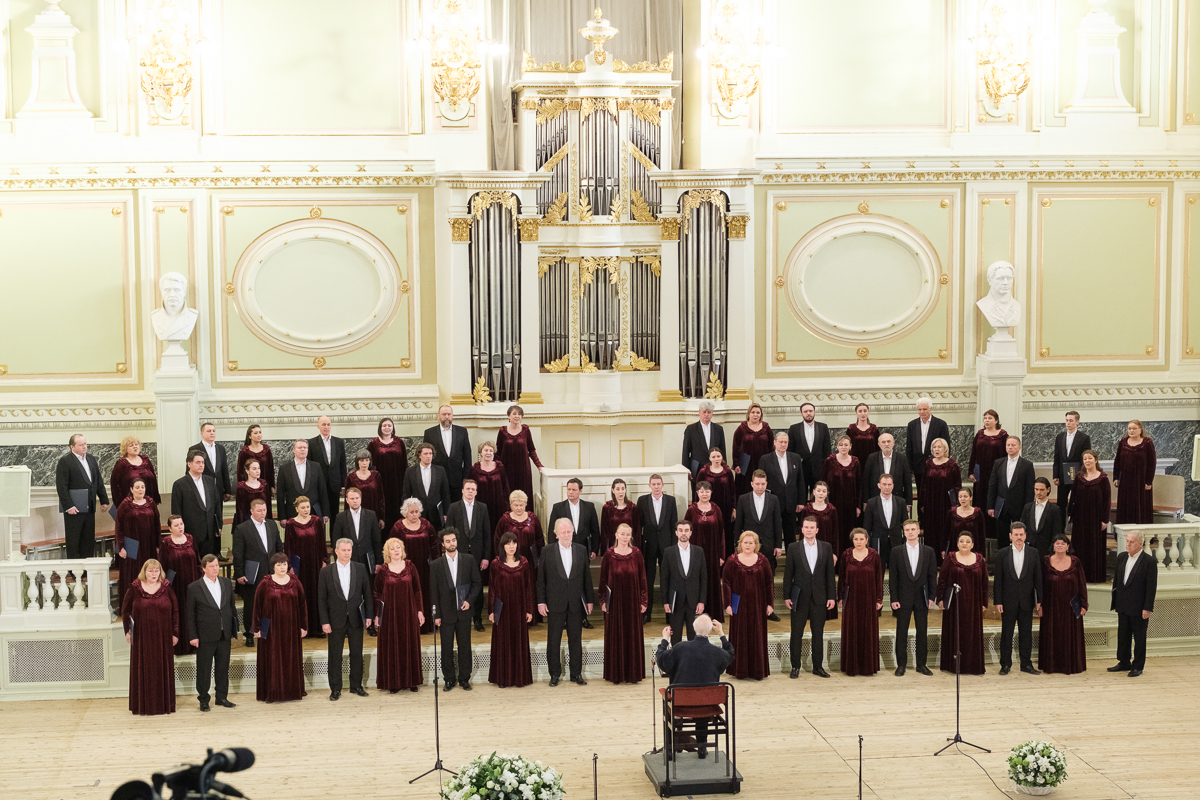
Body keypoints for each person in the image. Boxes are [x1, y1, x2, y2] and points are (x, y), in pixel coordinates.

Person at [654, 615, 734, 760]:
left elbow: (662, 660)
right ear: (710, 630)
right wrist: (721, 634)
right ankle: (702, 747)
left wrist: (665, 639)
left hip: (681, 704)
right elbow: (731, 654)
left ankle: (671, 749)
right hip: (708, 705)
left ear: (693, 628)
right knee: (702, 700)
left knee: (671, 701)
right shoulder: (717, 653)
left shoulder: (680, 647)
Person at [537, 518, 596, 686]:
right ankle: (554, 674)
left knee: (575, 640)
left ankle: (576, 674)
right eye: (563, 532)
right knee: (553, 640)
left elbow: (587, 578)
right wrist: (541, 602)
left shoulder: (581, 550)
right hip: (555, 602)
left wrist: (590, 601)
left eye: (569, 531)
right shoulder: (547, 551)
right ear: (556, 534)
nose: (566, 534)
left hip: (576, 603)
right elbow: (541, 580)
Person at [121, 559, 178, 716]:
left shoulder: (166, 587)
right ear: (144, 572)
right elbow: (125, 611)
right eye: (150, 571)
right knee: (143, 668)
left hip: (163, 636)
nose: (154, 574)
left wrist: (175, 632)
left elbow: (175, 611)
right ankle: (142, 706)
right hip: (141, 636)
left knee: (162, 668)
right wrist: (127, 631)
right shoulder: (135, 587)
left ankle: (164, 705)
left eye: (156, 570)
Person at [318, 539, 374, 700]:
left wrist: (369, 615)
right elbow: (321, 599)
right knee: (335, 655)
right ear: (336, 551)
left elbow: (367, 594)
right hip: (335, 619)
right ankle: (335, 688)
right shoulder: (326, 572)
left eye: (349, 550)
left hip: (356, 618)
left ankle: (356, 685)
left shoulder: (360, 568)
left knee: (357, 653)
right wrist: (324, 621)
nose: (347, 553)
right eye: (343, 550)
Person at [428, 527, 481, 690]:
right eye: (448, 541)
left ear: (457, 541)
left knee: (465, 647)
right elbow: (433, 591)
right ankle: (449, 679)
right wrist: (435, 614)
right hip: (445, 613)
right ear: (443, 544)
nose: (451, 543)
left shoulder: (468, 559)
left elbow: (477, 583)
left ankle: (465, 678)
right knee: (446, 648)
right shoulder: (436, 564)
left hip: (464, 612)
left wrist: (469, 601)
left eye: (454, 540)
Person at [783, 518, 836, 679]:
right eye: (806, 527)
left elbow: (829, 574)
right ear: (802, 529)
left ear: (817, 530)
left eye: (812, 527)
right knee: (796, 633)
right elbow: (788, 574)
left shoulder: (826, 547)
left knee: (818, 633)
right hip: (799, 597)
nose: (809, 530)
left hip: (819, 597)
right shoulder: (793, 547)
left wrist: (831, 596)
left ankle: (818, 667)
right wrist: (786, 596)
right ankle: (795, 667)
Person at [251, 552, 308, 702]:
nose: (282, 567)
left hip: (291, 627)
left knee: (290, 658)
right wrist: (256, 628)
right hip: (271, 629)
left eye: (284, 564)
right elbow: (257, 606)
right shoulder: (264, 583)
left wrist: (303, 626)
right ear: (273, 566)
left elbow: (302, 605)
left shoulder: (295, 582)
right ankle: (273, 692)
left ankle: (292, 691)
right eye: (279, 564)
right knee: (272, 659)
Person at [186, 554, 239, 712]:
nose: (215, 568)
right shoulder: (194, 587)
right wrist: (193, 636)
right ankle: (203, 699)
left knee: (223, 667)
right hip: (205, 635)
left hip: (224, 633)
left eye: (216, 565)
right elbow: (190, 615)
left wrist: (233, 629)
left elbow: (231, 607)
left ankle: (221, 697)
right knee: (204, 668)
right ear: (203, 568)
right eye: (211, 566)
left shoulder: (226, 582)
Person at [374, 537, 425, 693]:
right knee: (392, 646)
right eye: (392, 548)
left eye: (398, 547)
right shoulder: (383, 570)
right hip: (389, 615)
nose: (396, 550)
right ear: (388, 552)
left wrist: (420, 611)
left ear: (402, 550)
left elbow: (417, 590)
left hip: (409, 613)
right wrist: (378, 615)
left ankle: (412, 681)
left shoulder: (410, 567)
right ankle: (393, 682)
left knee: (410, 644)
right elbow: (376, 593)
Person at [600, 523, 649, 683]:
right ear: (616, 535)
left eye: (628, 534)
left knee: (632, 636)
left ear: (631, 536)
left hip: (633, 602)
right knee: (615, 636)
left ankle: (632, 674)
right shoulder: (608, 554)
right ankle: (616, 674)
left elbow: (643, 578)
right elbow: (602, 580)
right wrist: (603, 601)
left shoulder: (637, 554)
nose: (625, 537)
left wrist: (643, 601)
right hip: (614, 603)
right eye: (622, 534)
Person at [722, 531, 774, 680]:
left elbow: (769, 582)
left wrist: (770, 603)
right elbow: (726, 583)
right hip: (739, 606)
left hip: (758, 605)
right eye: (745, 542)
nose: (748, 545)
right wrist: (728, 604)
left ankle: (758, 671)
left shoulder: (763, 561)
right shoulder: (732, 561)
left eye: (751, 543)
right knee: (740, 636)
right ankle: (741, 671)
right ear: (740, 544)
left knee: (757, 635)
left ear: (756, 545)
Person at [231, 498, 283, 646]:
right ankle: (249, 633)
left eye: (264, 510)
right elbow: (238, 554)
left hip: (272, 572)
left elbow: (278, 546)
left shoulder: (272, 525)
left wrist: (281, 567)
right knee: (251, 604)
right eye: (259, 510)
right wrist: (239, 573)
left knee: (271, 603)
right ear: (252, 511)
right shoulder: (242, 528)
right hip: (252, 573)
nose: (262, 513)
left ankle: (269, 631)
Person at [889, 520, 937, 676]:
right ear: (903, 532)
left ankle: (921, 665)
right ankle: (901, 665)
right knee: (901, 631)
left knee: (922, 632)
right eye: (907, 529)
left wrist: (932, 596)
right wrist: (894, 599)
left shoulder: (928, 551)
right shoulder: (896, 551)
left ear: (918, 531)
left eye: (913, 529)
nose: (910, 532)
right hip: (903, 598)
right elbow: (893, 578)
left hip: (922, 598)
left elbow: (932, 576)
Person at [993, 522, 1042, 675]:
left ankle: (1026, 664)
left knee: (1026, 633)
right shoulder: (1002, 553)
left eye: (1021, 534)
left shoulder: (1034, 553)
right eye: (1016, 535)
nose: (1019, 537)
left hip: (1027, 601)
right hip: (1008, 601)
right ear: (1010, 536)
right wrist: (998, 601)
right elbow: (998, 580)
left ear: (1025, 535)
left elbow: (1038, 578)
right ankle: (1005, 665)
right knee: (1006, 634)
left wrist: (1039, 600)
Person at [936, 533, 988, 675]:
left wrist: (984, 603)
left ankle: (972, 666)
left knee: (971, 633)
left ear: (972, 544)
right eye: (961, 541)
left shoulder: (979, 559)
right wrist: (940, 599)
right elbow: (942, 580)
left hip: (973, 604)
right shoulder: (950, 558)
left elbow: (984, 583)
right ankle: (952, 666)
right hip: (954, 604)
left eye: (967, 541)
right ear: (957, 543)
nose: (964, 543)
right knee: (955, 632)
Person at [488, 532, 534, 688]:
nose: (511, 546)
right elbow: (492, 588)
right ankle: (503, 678)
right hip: (502, 610)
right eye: (508, 543)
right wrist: (492, 610)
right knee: (502, 642)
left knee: (518, 642)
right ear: (502, 546)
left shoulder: (524, 563)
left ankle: (519, 678)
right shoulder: (496, 564)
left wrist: (529, 609)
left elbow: (528, 587)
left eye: (514, 543)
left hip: (519, 609)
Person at [446, 478, 492, 631]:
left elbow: (487, 534)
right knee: (459, 585)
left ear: (476, 492)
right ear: (462, 490)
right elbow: (449, 533)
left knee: (476, 587)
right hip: (459, 555)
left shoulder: (483, 508)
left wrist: (486, 557)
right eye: (468, 489)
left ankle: (477, 619)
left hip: (478, 556)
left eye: (473, 489)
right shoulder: (453, 508)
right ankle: (459, 618)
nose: (470, 491)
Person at [1110, 530, 1157, 677]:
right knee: (1123, 635)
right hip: (1122, 605)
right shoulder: (1121, 557)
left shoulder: (1149, 561)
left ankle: (1137, 666)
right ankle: (1124, 662)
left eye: (1131, 542)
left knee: (1139, 638)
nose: (1128, 544)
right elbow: (1117, 582)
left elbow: (1151, 587)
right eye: (1127, 541)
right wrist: (1115, 601)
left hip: (1139, 607)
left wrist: (1147, 608)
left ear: (1140, 543)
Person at [1039, 534, 1088, 675]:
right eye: (1057, 543)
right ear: (1053, 546)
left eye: (1063, 543)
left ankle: (1070, 665)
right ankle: (1052, 666)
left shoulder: (1075, 561)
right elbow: (1040, 584)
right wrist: (1039, 605)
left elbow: (1082, 584)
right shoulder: (1045, 561)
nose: (1060, 545)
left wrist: (1084, 605)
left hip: (1071, 607)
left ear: (1068, 546)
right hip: (1050, 607)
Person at [837, 528, 883, 677]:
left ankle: (867, 667)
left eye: (861, 539)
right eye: (856, 539)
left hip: (869, 599)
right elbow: (842, 577)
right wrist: (840, 597)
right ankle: (852, 667)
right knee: (852, 630)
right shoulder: (846, 555)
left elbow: (878, 578)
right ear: (852, 540)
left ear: (867, 540)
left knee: (868, 631)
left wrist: (879, 599)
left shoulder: (874, 555)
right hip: (851, 599)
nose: (859, 542)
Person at [55, 434, 110, 558]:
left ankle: (86, 569)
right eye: (81, 445)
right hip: (74, 509)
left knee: (88, 539)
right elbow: (61, 486)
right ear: (72, 447)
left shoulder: (91, 458)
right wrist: (69, 506)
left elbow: (98, 480)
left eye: (85, 443)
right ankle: (74, 570)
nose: (84, 446)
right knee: (74, 540)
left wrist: (103, 500)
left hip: (89, 506)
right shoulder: (65, 461)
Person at [392, 497, 439, 633]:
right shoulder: (398, 527)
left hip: (424, 568)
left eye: (417, 512)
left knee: (423, 594)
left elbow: (434, 545)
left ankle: (426, 625)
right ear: (405, 512)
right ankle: (408, 625)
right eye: (411, 512)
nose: (414, 515)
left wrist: (436, 564)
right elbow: (391, 546)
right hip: (404, 568)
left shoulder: (427, 525)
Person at [637, 474, 679, 623]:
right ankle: (645, 614)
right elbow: (638, 525)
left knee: (666, 579)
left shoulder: (671, 500)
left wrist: (674, 547)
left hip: (667, 547)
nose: (656, 486)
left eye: (658, 484)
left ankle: (669, 614)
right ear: (649, 485)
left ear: (662, 485)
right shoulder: (642, 501)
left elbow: (674, 525)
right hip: (648, 546)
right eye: (653, 484)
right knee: (647, 580)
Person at [283, 496, 327, 637]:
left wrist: (324, 560)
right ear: (296, 509)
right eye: (303, 507)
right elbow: (288, 547)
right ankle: (302, 628)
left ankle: (317, 628)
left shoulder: (316, 521)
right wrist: (290, 566)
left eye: (308, 507)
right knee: (301, 595)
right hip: (299, 565)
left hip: (315, 563)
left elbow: (322, 543)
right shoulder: (290, 524)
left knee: (316, 593)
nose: (306, 510)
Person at [732, 471, 783, 588]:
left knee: (768, 579)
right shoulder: (743, 499)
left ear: (766, 484)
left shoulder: (774, 499)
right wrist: (737, 545)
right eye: (757, 484)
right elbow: (738, 524)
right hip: (748, 547)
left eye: (763, 484)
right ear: (752, 484)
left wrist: (778, 545)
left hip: (769, 545)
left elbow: (777, 524)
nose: (760, 487)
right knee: (748, 579)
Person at [158, 515, 201, 656]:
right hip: (176, 586)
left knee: (193, 613)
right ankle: (180, 646)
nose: (180, 527)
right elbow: (162, 566)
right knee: (179, 613)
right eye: (176, 525)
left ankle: (194, 643)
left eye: (181, 524)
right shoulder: (166, 543)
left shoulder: (190, 539)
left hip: (193, 584)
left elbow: (198, 562)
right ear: (169, 528)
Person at [1068, 450, 1112, 583]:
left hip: (1096, 518)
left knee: (1094, 547)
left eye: (1090, 458)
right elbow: (1073, 497)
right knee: (1080, 546)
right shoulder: (1079, 477)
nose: (1087, 461)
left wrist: (1105, 519)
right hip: (1080, 517)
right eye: (1085, 459)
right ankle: (1079, 576)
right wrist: (1070, 513)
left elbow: (1107, 500)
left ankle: (1094, 577)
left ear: (1096, 460)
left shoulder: (1103, 478)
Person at [661, 520, 707, 643]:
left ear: (691, 532)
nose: (683, 533)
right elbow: (664, 579)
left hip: (694, 602)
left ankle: (692, 662)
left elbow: (703, 578)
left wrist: (702, 601)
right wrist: (666, 601)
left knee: (694, 637)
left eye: (686, 530)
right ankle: (677, 662)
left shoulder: (699, 551)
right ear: (676, 532)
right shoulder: (668, 552)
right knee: (675, 637)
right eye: (680, 530)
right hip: (675, 602)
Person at [171, 450, 222, 559]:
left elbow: (217, 505)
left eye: (203, 462)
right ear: (189, 464)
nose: (201, 465)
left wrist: (219, 525)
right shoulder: (179, 484)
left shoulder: (209, 481)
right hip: (190, 533)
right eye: (198, 462)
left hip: (209, 533)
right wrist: (180, 531)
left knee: (207, 565)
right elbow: (176, 511)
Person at [114, 479, 159, 603]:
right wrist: (121, 547)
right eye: (137, 487)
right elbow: (118, 527)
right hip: (131, 545)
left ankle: (149, 602)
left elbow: (157, 525)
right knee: (132, 574)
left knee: (149, 573)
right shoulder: (125, 505)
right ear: (131, 489)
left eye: (142, 487)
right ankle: (131, 605)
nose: (140, 490)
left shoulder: (151, 503)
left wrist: (157, 545)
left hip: (148, 545)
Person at [967, 409, 1008, 544]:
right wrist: (971, 472)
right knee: (980, 499)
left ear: (996, 420)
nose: (987, 420)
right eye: (985, 418)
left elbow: (1005, 456)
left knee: (994, 498)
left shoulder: (1003, 436)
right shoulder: (979, 434)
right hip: (980, 473)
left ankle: (994, 533)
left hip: (996, 472)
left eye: (990, 418)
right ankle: (980, 533)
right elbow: (973, 454)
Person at [684, 484, 724, 622]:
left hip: (713, 554)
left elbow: (721, 533)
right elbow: (685, 532)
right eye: (701, 491)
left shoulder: (716, 510)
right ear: (697, 493)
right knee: (697, 581)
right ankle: (697, 613)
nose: (704, 494)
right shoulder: (691, 510)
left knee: (712, 580)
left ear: (711, 493)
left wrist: (721, 555)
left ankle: (713, 614)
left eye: (707, 491)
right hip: (695, 553)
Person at [987, 436, 1035, 547]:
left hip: (1019, 506)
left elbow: (1029, 489)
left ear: (1019, 447)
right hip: (1001, 506)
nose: (1010, 447)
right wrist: (990, 506)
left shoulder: (1027, 465)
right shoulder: (998, 463)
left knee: (1019, 535)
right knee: (1002, 536)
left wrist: (1027, 509)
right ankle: (1003, 561)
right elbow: (992, 485)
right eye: (1008, 445)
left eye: (1013, 445)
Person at [918, 438, 961, 559]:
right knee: (931, 532)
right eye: (934, 447)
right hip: (930, 504)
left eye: (939, 447)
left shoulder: (952, 465)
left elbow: (957, 486)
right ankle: (932, 560)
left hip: (946, 504)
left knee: (945, 530)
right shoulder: (928, 464)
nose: (936, 450)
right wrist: (922, 503)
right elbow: (923, 485)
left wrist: (955, 505)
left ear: (945, 449)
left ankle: (946, 560)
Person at [759, 431, 805, 544]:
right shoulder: (765, 459)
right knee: (772, 533)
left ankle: (791, 560)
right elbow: (760, 481)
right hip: (772, 503)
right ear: (775, 442)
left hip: (791, 504)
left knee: (791, 535)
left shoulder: (795, 458)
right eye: (781, 442)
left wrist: (801, 501)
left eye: (785, 442)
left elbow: (800, 481)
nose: (783, 444)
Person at [493, 491, 544, 591]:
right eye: (516, 505)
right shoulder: (504, 520)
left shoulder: (533, 519)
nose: (519, 508)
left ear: (526, 504)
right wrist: (502, 558)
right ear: (511, 505)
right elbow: (497, 540)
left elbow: (540, 540)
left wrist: (539, 560)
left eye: (521, 505)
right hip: (510, 559)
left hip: (530, 560)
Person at [331, 486, 382, 583]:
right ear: (347, 500)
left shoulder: (371, 515)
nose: (355, 501)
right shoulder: (340, 517)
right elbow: (336, 541)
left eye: (357, 498)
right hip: (348, 560)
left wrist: (379, 561)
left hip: (367, 560)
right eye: (352, 498)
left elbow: (377, 540)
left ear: (361, 499)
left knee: (368, 590)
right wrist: (338, 561)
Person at [424, 404, 472, 504]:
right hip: (437, 480)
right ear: (438, 416)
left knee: (456, 509)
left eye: (449, 414)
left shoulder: (462, 432)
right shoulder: (429, 433)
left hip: (457, 479)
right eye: (444, 414)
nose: (446, 416)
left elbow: (467, 457)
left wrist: (466, 478)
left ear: (452, 415)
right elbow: (426, 457)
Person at [308, 416, 346, 537]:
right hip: (318, 486)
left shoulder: (339, 442)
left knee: (335, 515)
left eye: (328, 424)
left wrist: (343, 485)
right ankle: (320, 545)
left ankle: (335, 543)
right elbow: (310, 466)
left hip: (334, 485)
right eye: (323, 424)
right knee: (319, 517)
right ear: (318, 426)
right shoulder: (311, 443)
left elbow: (342, 464)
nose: (326, 427)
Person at [368, 417, 408, 534]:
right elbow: (369, 465)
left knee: (396, 509)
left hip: (397, 484)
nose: (387, 428)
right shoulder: (374, 443)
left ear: (393, 428)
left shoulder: (399, 442)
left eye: (389, 425)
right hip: (380, 483)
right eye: (384, 425)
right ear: (380, 428)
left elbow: (405, 464)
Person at [495, 405, 544, 499]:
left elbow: (532, 450)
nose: (517, 416)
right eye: (514, 413)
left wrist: (539, 465)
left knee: (523, 494)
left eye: (519, 414)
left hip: (523, 470)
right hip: (506, 469)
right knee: (507, 494)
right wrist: (495, 469)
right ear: (509, 416)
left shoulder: (526, 430)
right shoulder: (502, 431)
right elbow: (498, 453)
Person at [1114, 419, 1157, 525]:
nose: (1131, 431)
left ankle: (1141, 535)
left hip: (1141, 482)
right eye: (1129, 429)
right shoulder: (1123, 442)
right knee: (1126, 506)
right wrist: (1116, 477)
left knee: (1140, 507)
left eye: (1134, 428)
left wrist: (1148, 481)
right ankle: (1124, 535)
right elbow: (1117, 461)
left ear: (1140, 429)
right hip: (1125, 482)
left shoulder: (1147, 442)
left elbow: (1152, 463)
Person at [823, 435, 862, 550]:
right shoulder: (830, 461)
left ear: (850, 446)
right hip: (833, 504)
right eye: (841, 444)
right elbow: (823, 483)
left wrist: (858, 506)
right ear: (837, 446)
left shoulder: (855, 462)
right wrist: (825, 503)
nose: (843, 447)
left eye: (846, 445)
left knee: (849, 532)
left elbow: (859, 485)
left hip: (850, 506)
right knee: (835, 532)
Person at [547, 477, 601, 560]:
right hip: (564, 549)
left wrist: (594, 549)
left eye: (574, 490)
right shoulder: (557, 507)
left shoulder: (589, 507)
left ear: (580, 491)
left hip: (584, 549)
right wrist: (553, 550)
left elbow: (595, 530)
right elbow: (551, 531)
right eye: (568, 489)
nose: (570, 492)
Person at [402, 443, 450, 530]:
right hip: (418, 514)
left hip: (436, 514)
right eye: (426, 454)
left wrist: (446, 513)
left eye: (430, 454)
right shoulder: (410, 471)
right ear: (419, 455)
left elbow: (445, 493)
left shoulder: (440, 471)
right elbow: (406, 494)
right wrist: (406, 513)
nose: (429, 456)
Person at [277, 439, 326, 521]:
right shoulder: (284, 469)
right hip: (292, 513)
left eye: (305, 447)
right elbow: (280, 494)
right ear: (294, 450)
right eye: (300, 447)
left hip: (314, 512)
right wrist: (282, 517)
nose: (303, 449)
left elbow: (322, 490)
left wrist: (325, 513)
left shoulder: (316, 466)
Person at [863, 474, 906, 568]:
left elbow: (905, 523)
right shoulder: (871, 502)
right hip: (878, 543)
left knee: (897, 571)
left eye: (889, 484)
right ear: (879, 485)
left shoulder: (901, 502)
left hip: (896, 542)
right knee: (878, 571)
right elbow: (867, 525)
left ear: (893, 485)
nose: (887, 487)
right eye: (884, 484)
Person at [906, 397, 950, 486]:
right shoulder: (912, 425)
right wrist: (910, 467)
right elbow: (909, 447)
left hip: (936, 466)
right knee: (921, 494)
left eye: (925, 409)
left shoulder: (940, 424)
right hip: (918, 466)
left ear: (930, 408)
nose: (922, 412)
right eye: (919, 409)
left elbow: (946, 446)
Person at [788, 402, 831, 493]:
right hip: (801, 468)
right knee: (801, 495)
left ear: (814, 412)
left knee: (817, 495)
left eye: (811, 411)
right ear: (801, 413)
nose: (808, 413)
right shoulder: (794, 428)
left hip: (819, 469)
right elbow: (790, 451)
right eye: (805, 411)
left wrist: (826, 467)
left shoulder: (823, 427)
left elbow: (827, 449)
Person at [1052, 411, 1091, 511]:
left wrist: (1083, 475)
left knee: (1078, 501)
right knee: (1061, 503)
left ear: (1077, 422)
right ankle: (1060, 526)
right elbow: (1056, 457)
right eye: (1066, 420)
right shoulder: (1060, 437)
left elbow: (1085, 458)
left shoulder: (1084, 438)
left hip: (1077, 475)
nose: (1068, 423)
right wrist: (1055, 475)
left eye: (1071, 420)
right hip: (1062, 476)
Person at [861, 432, 913, 508]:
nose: (886, 444)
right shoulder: (872, 458)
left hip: (897, 500)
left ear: (893, 443)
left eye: (889, 441)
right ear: (879, 444)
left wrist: (908, 503)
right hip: (875, 500)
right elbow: (866, 481)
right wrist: (865, 501)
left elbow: (907, 482)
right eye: (883, 442)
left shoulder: (902, 459)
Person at [470, 441, 510, 536]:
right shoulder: (474, 469)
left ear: (494, 452)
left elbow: (505, 487)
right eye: (486, 450)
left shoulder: (500, 467)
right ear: (481, 452)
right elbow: (470, 488)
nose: (488, 453)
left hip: (498, 506)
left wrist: (507, 506)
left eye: (491, 451)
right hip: (481, 507)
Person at [732, 403, 773, 496]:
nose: (755, 414)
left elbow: (771, 447)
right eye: (753, 412)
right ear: (749, 414)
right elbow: (736, 447)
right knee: (745, 490)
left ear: (761, 415)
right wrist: (736, 464)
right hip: (746, 465)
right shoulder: (741, 428)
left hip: (763, 463)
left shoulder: (766, 428)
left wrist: (771, 463)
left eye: (758, 412)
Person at [697, 447, 737, 539]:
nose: (716, 459)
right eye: (713, 457)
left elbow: (733, 491)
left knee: (725, 532)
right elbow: (697, 491)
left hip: (725, 508)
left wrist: (734, 508)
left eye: (718, 456)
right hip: (707, 507)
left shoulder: (727, 472)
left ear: (722, 457)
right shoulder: (703, 472)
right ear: (710, 458)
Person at [110, 435, 161, 506]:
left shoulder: (146, 460)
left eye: (136, 444)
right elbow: (115, 486)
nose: (135, 446)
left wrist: (155, 501)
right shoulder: (121, 464)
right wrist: (120, 505)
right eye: (131, 445)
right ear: (125, 449)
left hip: (149, 504)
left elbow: (154, 480)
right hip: (129, 506)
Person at [683, 401, 727, 481]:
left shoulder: (719, 429)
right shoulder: (691, 429)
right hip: (697, 468)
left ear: (712, 413)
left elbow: (722, 449)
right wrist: (686, 470)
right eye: (704, 412)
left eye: (709, 412)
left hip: (715, 468)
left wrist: (724, 467)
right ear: (699, 412)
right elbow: (685, 451)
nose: (706, 414)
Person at [1020, 478, 1064, 555]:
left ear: (1048, 489)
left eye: (1042, 490)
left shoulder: (1055, 509)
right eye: (1036, 489)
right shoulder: (1027, 507)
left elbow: (1056, 531)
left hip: (1046, 550)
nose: (1038, 492)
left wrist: (1053, 549)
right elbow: (1022, 528)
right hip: (1028, 548)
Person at [192, 422, 233, 505]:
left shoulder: (221, 448)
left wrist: (227, 490)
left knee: (218, 515)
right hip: (202, 488)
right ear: (202, 433)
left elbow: (224, 469)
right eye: (209, 431)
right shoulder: (194, 449)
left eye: (214, 431)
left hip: (218, 489)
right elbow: (190, 471)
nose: (212, 433)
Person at [236, 424, 275, 508]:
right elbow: (240, 472)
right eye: (256, 433)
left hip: (265, 487)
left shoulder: (267, 450)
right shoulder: (244, 451)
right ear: (250, 436)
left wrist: (272, 486)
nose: (259, 435)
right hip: (248, 489)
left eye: (260, 432)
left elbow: (271, 469)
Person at [151, 271, 198, 340]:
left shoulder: (192, 315)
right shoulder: (155, 316)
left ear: (184, 292)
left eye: (177, 290)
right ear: (161, 292)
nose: (172, 295)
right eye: (167, 290)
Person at [600, 478, 641, 553]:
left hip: (630, 548)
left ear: (625, 490)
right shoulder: (607, 508)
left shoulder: (633, 507)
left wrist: (637, 550)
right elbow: (604, 533)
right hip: (613, 548)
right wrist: (603, 552)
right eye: (618, 489)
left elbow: (637, 532)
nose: (621, 492)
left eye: (623, 489)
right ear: (613, 490)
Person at [342, 450, 385, 522]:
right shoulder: (350, 477)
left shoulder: (376, 476)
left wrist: (382, 518)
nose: (364, 463)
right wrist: (347, 518)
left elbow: (381, 497)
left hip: (374, 515)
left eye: (367, 460)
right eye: (361, 460)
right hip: (356, 516)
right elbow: (347, 500)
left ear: (370, 461)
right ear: (357, 462)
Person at [946, 487, 985, 560]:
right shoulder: (951, 512)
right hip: (955, 549)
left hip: (973, 550)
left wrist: (982, 553)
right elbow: (946, 532)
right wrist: (943, 549)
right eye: (960, 497)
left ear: (971, 498)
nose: (962, 499)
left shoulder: (978, 513)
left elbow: (982, 534)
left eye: (965, 496)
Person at [233, 459, 269, 529]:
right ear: (247, 471)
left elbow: (268, 505)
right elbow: (240, 509)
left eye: (259, 468)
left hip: (262, 521)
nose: (257, 471)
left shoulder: (264, 484)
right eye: (254, 469)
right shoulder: (242, 487)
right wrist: (242, 528)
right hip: (247, 522)